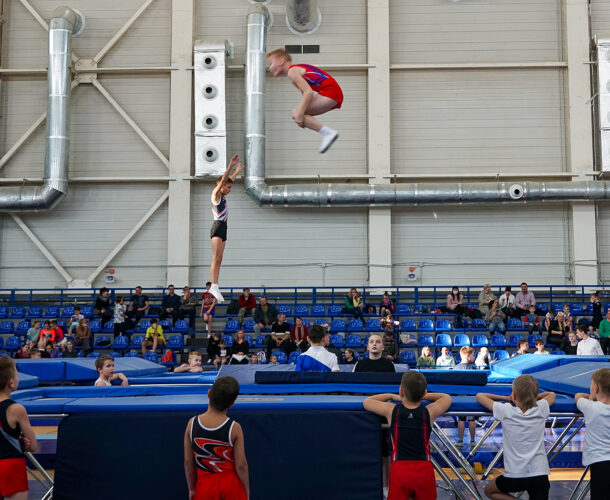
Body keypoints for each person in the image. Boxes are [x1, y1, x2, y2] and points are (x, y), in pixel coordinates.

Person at [363, 372, 452, 500]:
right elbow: (446, 398)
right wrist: (425, 396)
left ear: (401, 391)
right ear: (424, 392)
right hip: (423, 469)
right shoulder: (429, 411)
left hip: (400, 469)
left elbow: (368, 402)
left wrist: (392, 396)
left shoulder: (392, 410)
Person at [476, 376, 555, 500]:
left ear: (514, 395)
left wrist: (505, 398)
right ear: (535, 395)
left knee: (489, 491)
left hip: (515, 476)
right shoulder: (540, 408)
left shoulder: (506, 410)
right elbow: (551, 395)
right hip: (540, 475)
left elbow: (480, 396)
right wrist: (534, 397)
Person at [184, 376, 249, 500]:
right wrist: (246, 490)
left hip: (205, 486)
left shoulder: (191, 424)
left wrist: (192, 489)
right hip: (230, 486)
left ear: (209, 393)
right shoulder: (234, 428)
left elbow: (188, 462)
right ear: (232, 404)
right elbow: (241, 465)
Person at [267, 48, 343, 154]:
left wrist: (300, 113)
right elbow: (306, 96)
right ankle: (327, 132)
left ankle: (328, 133)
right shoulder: (295, 75)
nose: (269, 68)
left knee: (296, 112)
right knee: (299, 113)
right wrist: (301, 116)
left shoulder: (292, 72)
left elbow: (309, 92)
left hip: (330, 91)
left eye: (271, 63)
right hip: (332, 91)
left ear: (281, 61)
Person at [0, 356, 38, 499]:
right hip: (11, 465)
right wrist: (22, 442)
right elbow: (33, 446)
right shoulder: (16, 409)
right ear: (11, 382)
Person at [209, 154, 244, 303]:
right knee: (215, 258)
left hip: (224, 227)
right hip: (217, 226)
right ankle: (213, 286)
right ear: (221, 186)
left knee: (220, 259)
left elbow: (229, 181)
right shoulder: (215, 195)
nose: (229, 189)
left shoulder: (223, 195)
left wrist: (236, 172)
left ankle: (216, 285)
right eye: (228, 188)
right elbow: (224, 180)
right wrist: (230, 166)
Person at [574, 368, 610, 500]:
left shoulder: (591, 407)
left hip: (599, 462)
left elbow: (577, 396)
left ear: (595, 388)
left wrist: (590, 398)